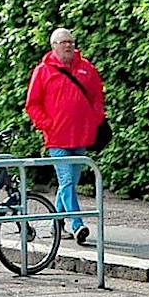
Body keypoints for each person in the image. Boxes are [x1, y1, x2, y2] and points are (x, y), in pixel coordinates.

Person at [24, 26, 105, 245]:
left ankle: (56, 224)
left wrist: (95, 118)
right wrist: (47, 125)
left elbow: (98, 96)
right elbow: (33, 105)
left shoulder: (86, 68)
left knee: (68, 183)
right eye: (63, 42)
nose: (68, 45)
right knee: (67, 181)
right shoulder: (43, 71)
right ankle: (77, 224)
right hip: (57, 139)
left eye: (71, 42)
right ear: (54, 47)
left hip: (80, 136)